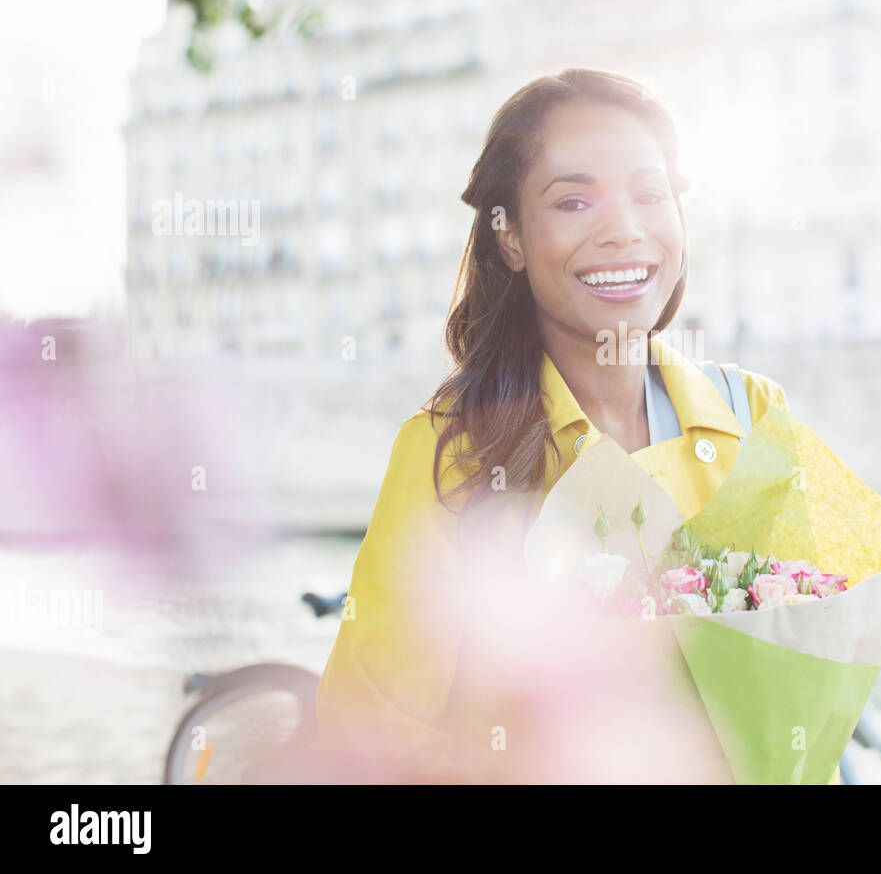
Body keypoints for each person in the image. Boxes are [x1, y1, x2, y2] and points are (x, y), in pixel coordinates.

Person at [314, 67, 791, 782]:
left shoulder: (754, 415)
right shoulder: (452, 453)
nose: (623, 229)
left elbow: (804, 675)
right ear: (509, 239)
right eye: (572, 201)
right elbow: (369, 734)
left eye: (649, 194)